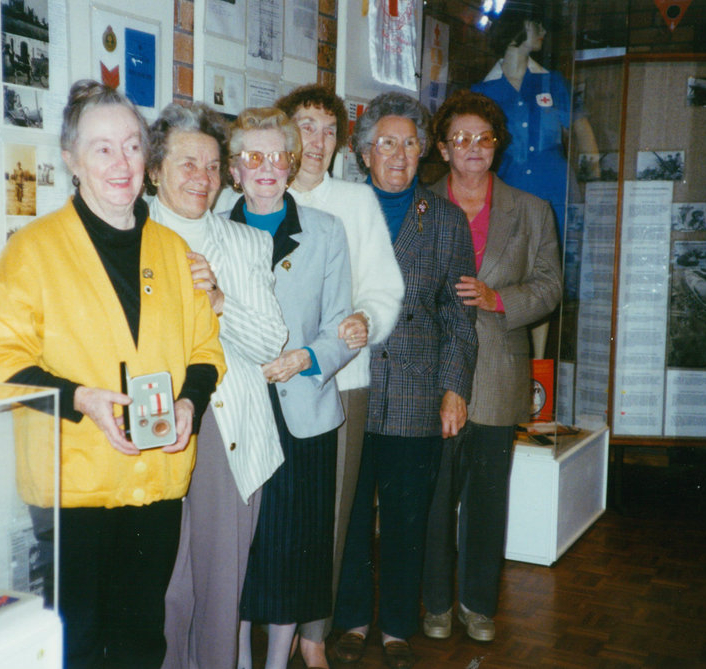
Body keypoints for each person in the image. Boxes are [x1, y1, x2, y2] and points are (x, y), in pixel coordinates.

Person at [0, 80, 226, 669]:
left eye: (132, 146)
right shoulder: (31, 252)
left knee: (142, 639)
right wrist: (80, 398)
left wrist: (190, 404)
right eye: (102, 148)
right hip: (74, 487)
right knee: (78, 645)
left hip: (157, 479)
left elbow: (205, 350)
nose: (121, 163)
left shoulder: (175, 252)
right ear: (71, 159)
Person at [332, 92, 477, 669]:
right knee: (346, 511)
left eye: (410, 142)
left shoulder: (445, 220)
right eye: (385, 142)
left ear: (424, 152)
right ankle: (349, 620)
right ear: (365, 151)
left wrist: (455, 387)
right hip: (351, 386)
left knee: (405, 518)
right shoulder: (339, 210)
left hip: (417, 392)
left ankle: (395, 627)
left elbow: (458, 317)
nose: (398, 153)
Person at [148, 102, 289, 669]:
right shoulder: (128, 235)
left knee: (218, 593)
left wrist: (219, 301)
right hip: (151, 423)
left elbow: (271, 343)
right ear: (155, 170)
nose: (201, 178)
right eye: (186, 164)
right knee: (166, 588)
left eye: (211, 165)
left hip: (225, 430)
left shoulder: (245, 244)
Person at [420, 90, 562, 644]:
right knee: (434, 497)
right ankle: (435, 604)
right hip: (434, 377)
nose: (473, 148)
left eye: (484, 138)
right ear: (443, 148)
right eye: (461, 139)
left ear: (497, 145)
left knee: (486, 497)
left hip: (501, 374)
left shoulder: (531, 211)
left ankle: (478, 604)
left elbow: (551, 286)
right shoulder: (422, 204)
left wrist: (498, 298)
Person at [218, 107, 357, 669]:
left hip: (303, 412)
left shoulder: (325, 231)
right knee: (239, 551)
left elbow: (343, 327)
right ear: (235, 170)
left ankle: (277, 663)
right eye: (254, 157)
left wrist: (306, 357)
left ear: (293, 162)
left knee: (290, 553)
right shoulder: (212, 231)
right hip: (237, 411)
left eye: (278, 156)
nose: (267, 167)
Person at [273, 84, 404, 669]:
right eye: (305, 126)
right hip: (267, 386)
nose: (317, 142)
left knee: (330, 517)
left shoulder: (355, 202)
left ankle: (314, 636)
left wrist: (364, 318)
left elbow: (384, 288)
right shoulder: (255, 194)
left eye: (329, 130)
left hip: (340, 384)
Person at [471, 4, 598, 243]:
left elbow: (581, 128)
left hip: (556, 192)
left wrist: (594, 178)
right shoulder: (482, 92)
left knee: (558, 263)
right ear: (519, 25)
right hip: (508, 192)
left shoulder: (553, 83)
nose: (544, 32)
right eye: (537, 25)